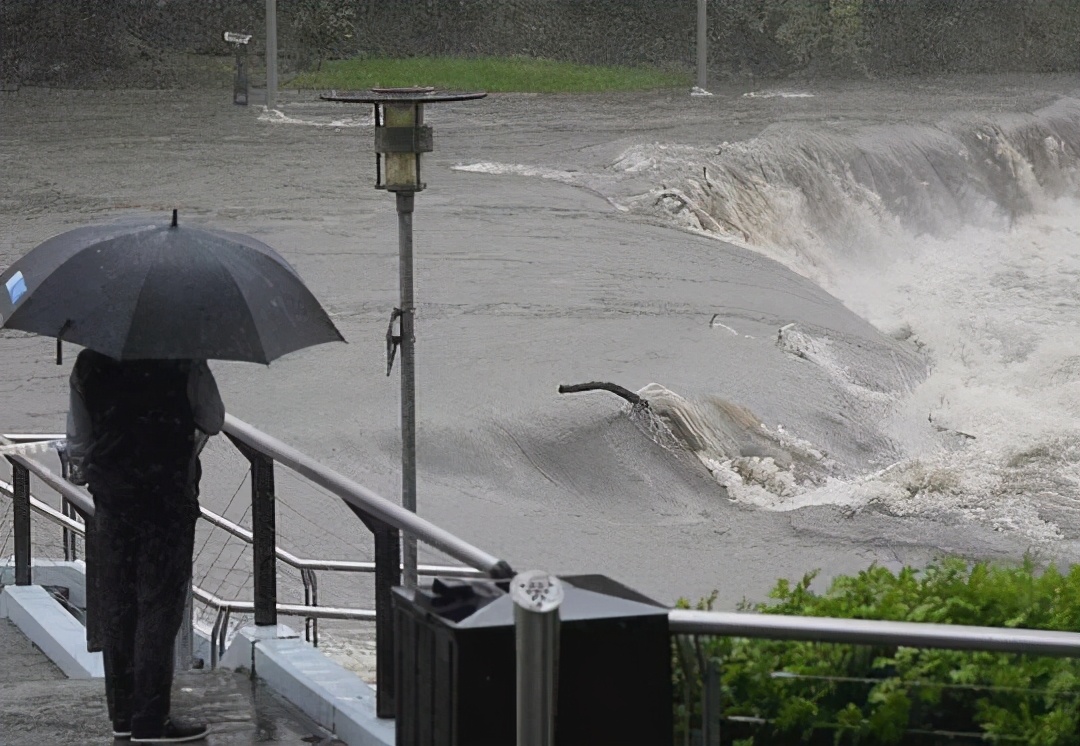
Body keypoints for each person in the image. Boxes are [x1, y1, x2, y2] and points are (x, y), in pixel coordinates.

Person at [67, 348, 224, 743]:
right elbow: (213, 419)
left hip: (114, 498)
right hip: (167, 495)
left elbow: (78, 441)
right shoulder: (183, 357)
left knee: (118, 603)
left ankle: (122, 715)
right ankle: (151, 719)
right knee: (159, 605)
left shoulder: (89, 363)